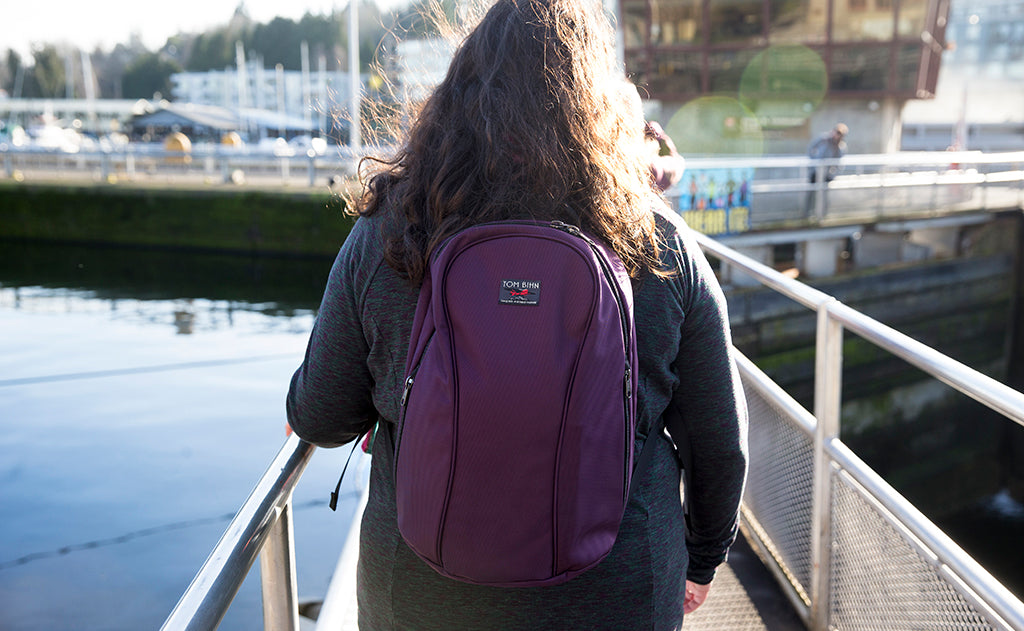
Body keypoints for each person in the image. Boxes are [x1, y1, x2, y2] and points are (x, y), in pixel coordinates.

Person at [285, 1, 748, 629]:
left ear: (457, 95)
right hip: (616, 592)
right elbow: (720, 443)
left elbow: (324, 415)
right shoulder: (657, 245)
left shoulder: (390, 232)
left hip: (422, 596)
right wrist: (702, 557)